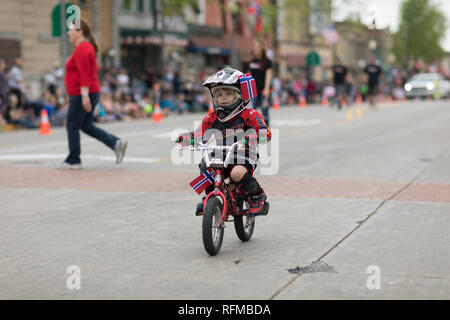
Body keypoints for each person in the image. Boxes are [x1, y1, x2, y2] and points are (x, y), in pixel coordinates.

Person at [176, 68, 271, 216]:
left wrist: (253, 138)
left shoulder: (249, 114)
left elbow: (266, 133)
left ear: (240, 95)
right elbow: (200, 134)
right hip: (221, 153)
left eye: (228, 93)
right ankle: (209, 196)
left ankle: (257, 195)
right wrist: (188, 138)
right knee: (206, 164)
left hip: (243, 153)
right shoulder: (211, 117)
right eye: (219, 94)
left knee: (237, 173)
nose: (223, 97)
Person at [61, 19, 127, 170]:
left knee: (72, 126)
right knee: (85, 125)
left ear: (80, 32)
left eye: (71, 30)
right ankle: (115, 143)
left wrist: (84, 96)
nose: (68, 33)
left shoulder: (83, 49)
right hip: (86, 92)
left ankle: (74, 160)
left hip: (83, 93)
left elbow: (84, 75)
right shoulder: (83, 47)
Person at [244, 39, 273, 126]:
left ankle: (266, 131)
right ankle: (253, 131)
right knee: (252, 112)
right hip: (253, 92)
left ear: (261, 49)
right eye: (254, 46)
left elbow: (269, 75)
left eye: (257, 46)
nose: (255, 48)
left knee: (265, 111)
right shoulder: (251, 62)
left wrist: (267, 88)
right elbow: (248, 76)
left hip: (264, 91)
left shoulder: (267, 61)